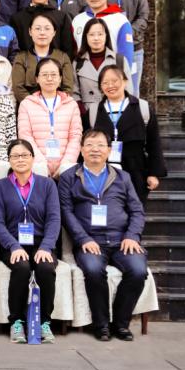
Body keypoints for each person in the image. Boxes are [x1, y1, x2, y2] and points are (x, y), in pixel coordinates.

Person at [59, 129, 148, 341]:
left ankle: (121, 324)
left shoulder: (123, 177)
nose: (95, 150)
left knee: (138, 270)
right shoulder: (69, 177)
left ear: (109, 150)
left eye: (100, 145)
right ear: (81, 150)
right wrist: (83, 239)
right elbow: (66, 212)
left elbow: (137, 211)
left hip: (122, 240)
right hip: (90, 241)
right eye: (89, 145)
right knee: (93, 270)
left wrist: (132, 235)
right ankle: (101, 325)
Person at [0, 140, 60, 344]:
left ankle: (44, 322)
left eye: (24, 155)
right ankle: (17, 322)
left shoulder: (47, 185)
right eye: (15, 156)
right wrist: (13, 246)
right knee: (21, 267)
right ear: (9, 160)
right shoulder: (0, 187)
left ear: (32, 158)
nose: (20, 159)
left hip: (41, 243)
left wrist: (46, 247)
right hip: (11, 244)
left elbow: (54, 218)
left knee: (45, 268)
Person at [85, 65, 167, 204]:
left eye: (114, 81)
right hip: (101, 171)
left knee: (134, 210)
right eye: (105, 83)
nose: (110, 86)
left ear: (125, 81)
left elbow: (154, 143)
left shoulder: (142, 108)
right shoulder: (93, 111)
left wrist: (153, 173)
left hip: (135, 171)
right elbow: (84, 144)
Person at [17, 58, 83, 178]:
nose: (49, 78)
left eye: (53, 74)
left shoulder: (71, 104)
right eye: (44, 75)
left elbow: (76, 136)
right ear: (37, 78)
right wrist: (41, 165)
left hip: (66, 169)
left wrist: (65, 165)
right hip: (37, 169)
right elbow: (25, 135)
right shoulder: (26, 104)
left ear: (60, 78)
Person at [106, 0, 150, 90]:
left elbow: (143, 17)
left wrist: (127, 34)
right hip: (107, 49)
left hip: (134, 47)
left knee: (132, 89)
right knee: (108, 88)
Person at [71, 0, 135, 70]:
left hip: (112, 75)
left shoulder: (120, 20)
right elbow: (73, 52)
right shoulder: (77, 20)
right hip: (83, 75)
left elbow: (126, 57)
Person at [11, 13, 75, 102]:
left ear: (54, 32)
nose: (42, 32)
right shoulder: (21, 58)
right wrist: (35, 104)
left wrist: (56, 104)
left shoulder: (62, 57)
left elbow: (68, 88)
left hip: (58, 106)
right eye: (37, 28)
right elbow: (18, 88)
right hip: (29, 106)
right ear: (30, 31)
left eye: (47, 29)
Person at [10, 0, 77, 57]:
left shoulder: (61, 17)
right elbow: (15, 49)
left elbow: (68, 48)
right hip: (26, 64)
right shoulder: (18, 18)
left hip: (55, 64)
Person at [74, 17, 134, 106]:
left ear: (106, 36)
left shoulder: (119, 60)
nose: (96, 38)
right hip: (88, 111)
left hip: (115, 110)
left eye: (100, 34)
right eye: (91, 34)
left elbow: (129, 91)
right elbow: (74, 93)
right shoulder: (77, 62)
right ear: (85, 37)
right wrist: (83, 112)